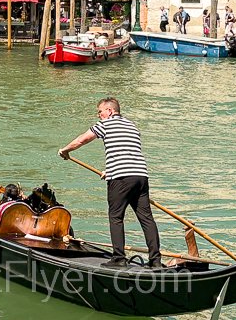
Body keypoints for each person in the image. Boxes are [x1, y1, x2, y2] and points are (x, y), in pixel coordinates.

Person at [57, 97, 161, 269]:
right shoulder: (132, 126)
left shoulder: (105, 125)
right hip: (141, 176)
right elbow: (126, 151)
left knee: (116, 217)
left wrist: (65, 150)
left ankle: (119, 258)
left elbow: (83, 139)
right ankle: (155, 261)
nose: (99, 115)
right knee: (147, 219)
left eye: (100, 111)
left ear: (110, 111)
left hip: (121, 178)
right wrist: (109, 170)